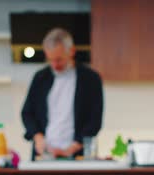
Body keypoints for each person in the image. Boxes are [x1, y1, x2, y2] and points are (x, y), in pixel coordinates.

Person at [21, 27, 103, 160]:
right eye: (50, 60)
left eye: (58, 59)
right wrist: (38, 137)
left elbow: (95, 119)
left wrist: (73, 147)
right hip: (44, 154)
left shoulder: (91, 79)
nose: (54, 65)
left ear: (71, 51)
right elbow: (27, 113)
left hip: (78, 155)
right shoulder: (40, 78)